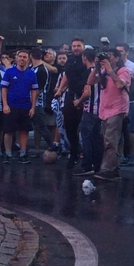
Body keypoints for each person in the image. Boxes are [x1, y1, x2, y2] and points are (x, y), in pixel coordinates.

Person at [90, 49, 131, 181]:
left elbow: (120, 84)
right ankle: (114, 169)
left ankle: (108, 170)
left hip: (117, 109)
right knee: (107, 141)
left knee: (110, 141)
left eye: (110, 57)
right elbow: (90, 82)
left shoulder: (123, 71)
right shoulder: (103, 71)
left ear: (117, 58)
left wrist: (109, 69)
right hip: (105, 110)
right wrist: (96, 68)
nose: (107, 58)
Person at [54, 38, 89, 169]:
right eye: (74, 46)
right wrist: (60, 90)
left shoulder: (87, 59)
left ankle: (87, 156)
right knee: (69, 126)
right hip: (70, 95)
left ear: (83, 47)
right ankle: (74, 152)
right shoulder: (69, 60)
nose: (76, 48)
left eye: (78, 46)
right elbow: (66, 76)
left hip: (85, 95)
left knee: (85, 128)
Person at [1, 49, 39, 164]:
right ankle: (8, 154)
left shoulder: (31, 73)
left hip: (25, 106)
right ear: (17, 58)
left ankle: (23, 154)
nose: (22, 59)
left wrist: (33, 107)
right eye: (20, 56)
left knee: (24, 131)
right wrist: (5, 105)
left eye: (25, 57)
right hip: (11, 106)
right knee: (8, 131)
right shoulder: (9, 72)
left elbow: (34, 91)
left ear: (28, 59)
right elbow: (4, 89)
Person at [74, 48, 103, 177]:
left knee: (86, 138)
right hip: (101, 110)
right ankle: (97, 166)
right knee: (97, 139)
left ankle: (86, 166)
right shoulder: (101, 72)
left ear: (84, 57)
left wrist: (78, 102)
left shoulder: (88, 73)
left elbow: (87, 92)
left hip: (90, 110)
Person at [116, 43, 134, 165]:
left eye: (121, 51)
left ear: (127, 52)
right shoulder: (114, 66)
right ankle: (120, 155)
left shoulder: (133, 67)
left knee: (129, 130)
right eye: (117, 51)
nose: (119, 53)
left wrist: (131, 82)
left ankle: (132, 155)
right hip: (116, 102)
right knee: (118, 130)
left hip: (130, 101)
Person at [30, 48, 56, 155]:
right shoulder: (32, 68)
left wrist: (32, 104)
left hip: (37, 103)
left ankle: (53, 146)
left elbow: (39, 90)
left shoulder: (41, 69)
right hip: (30, 101)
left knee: (41, 126)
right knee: (36, 126)